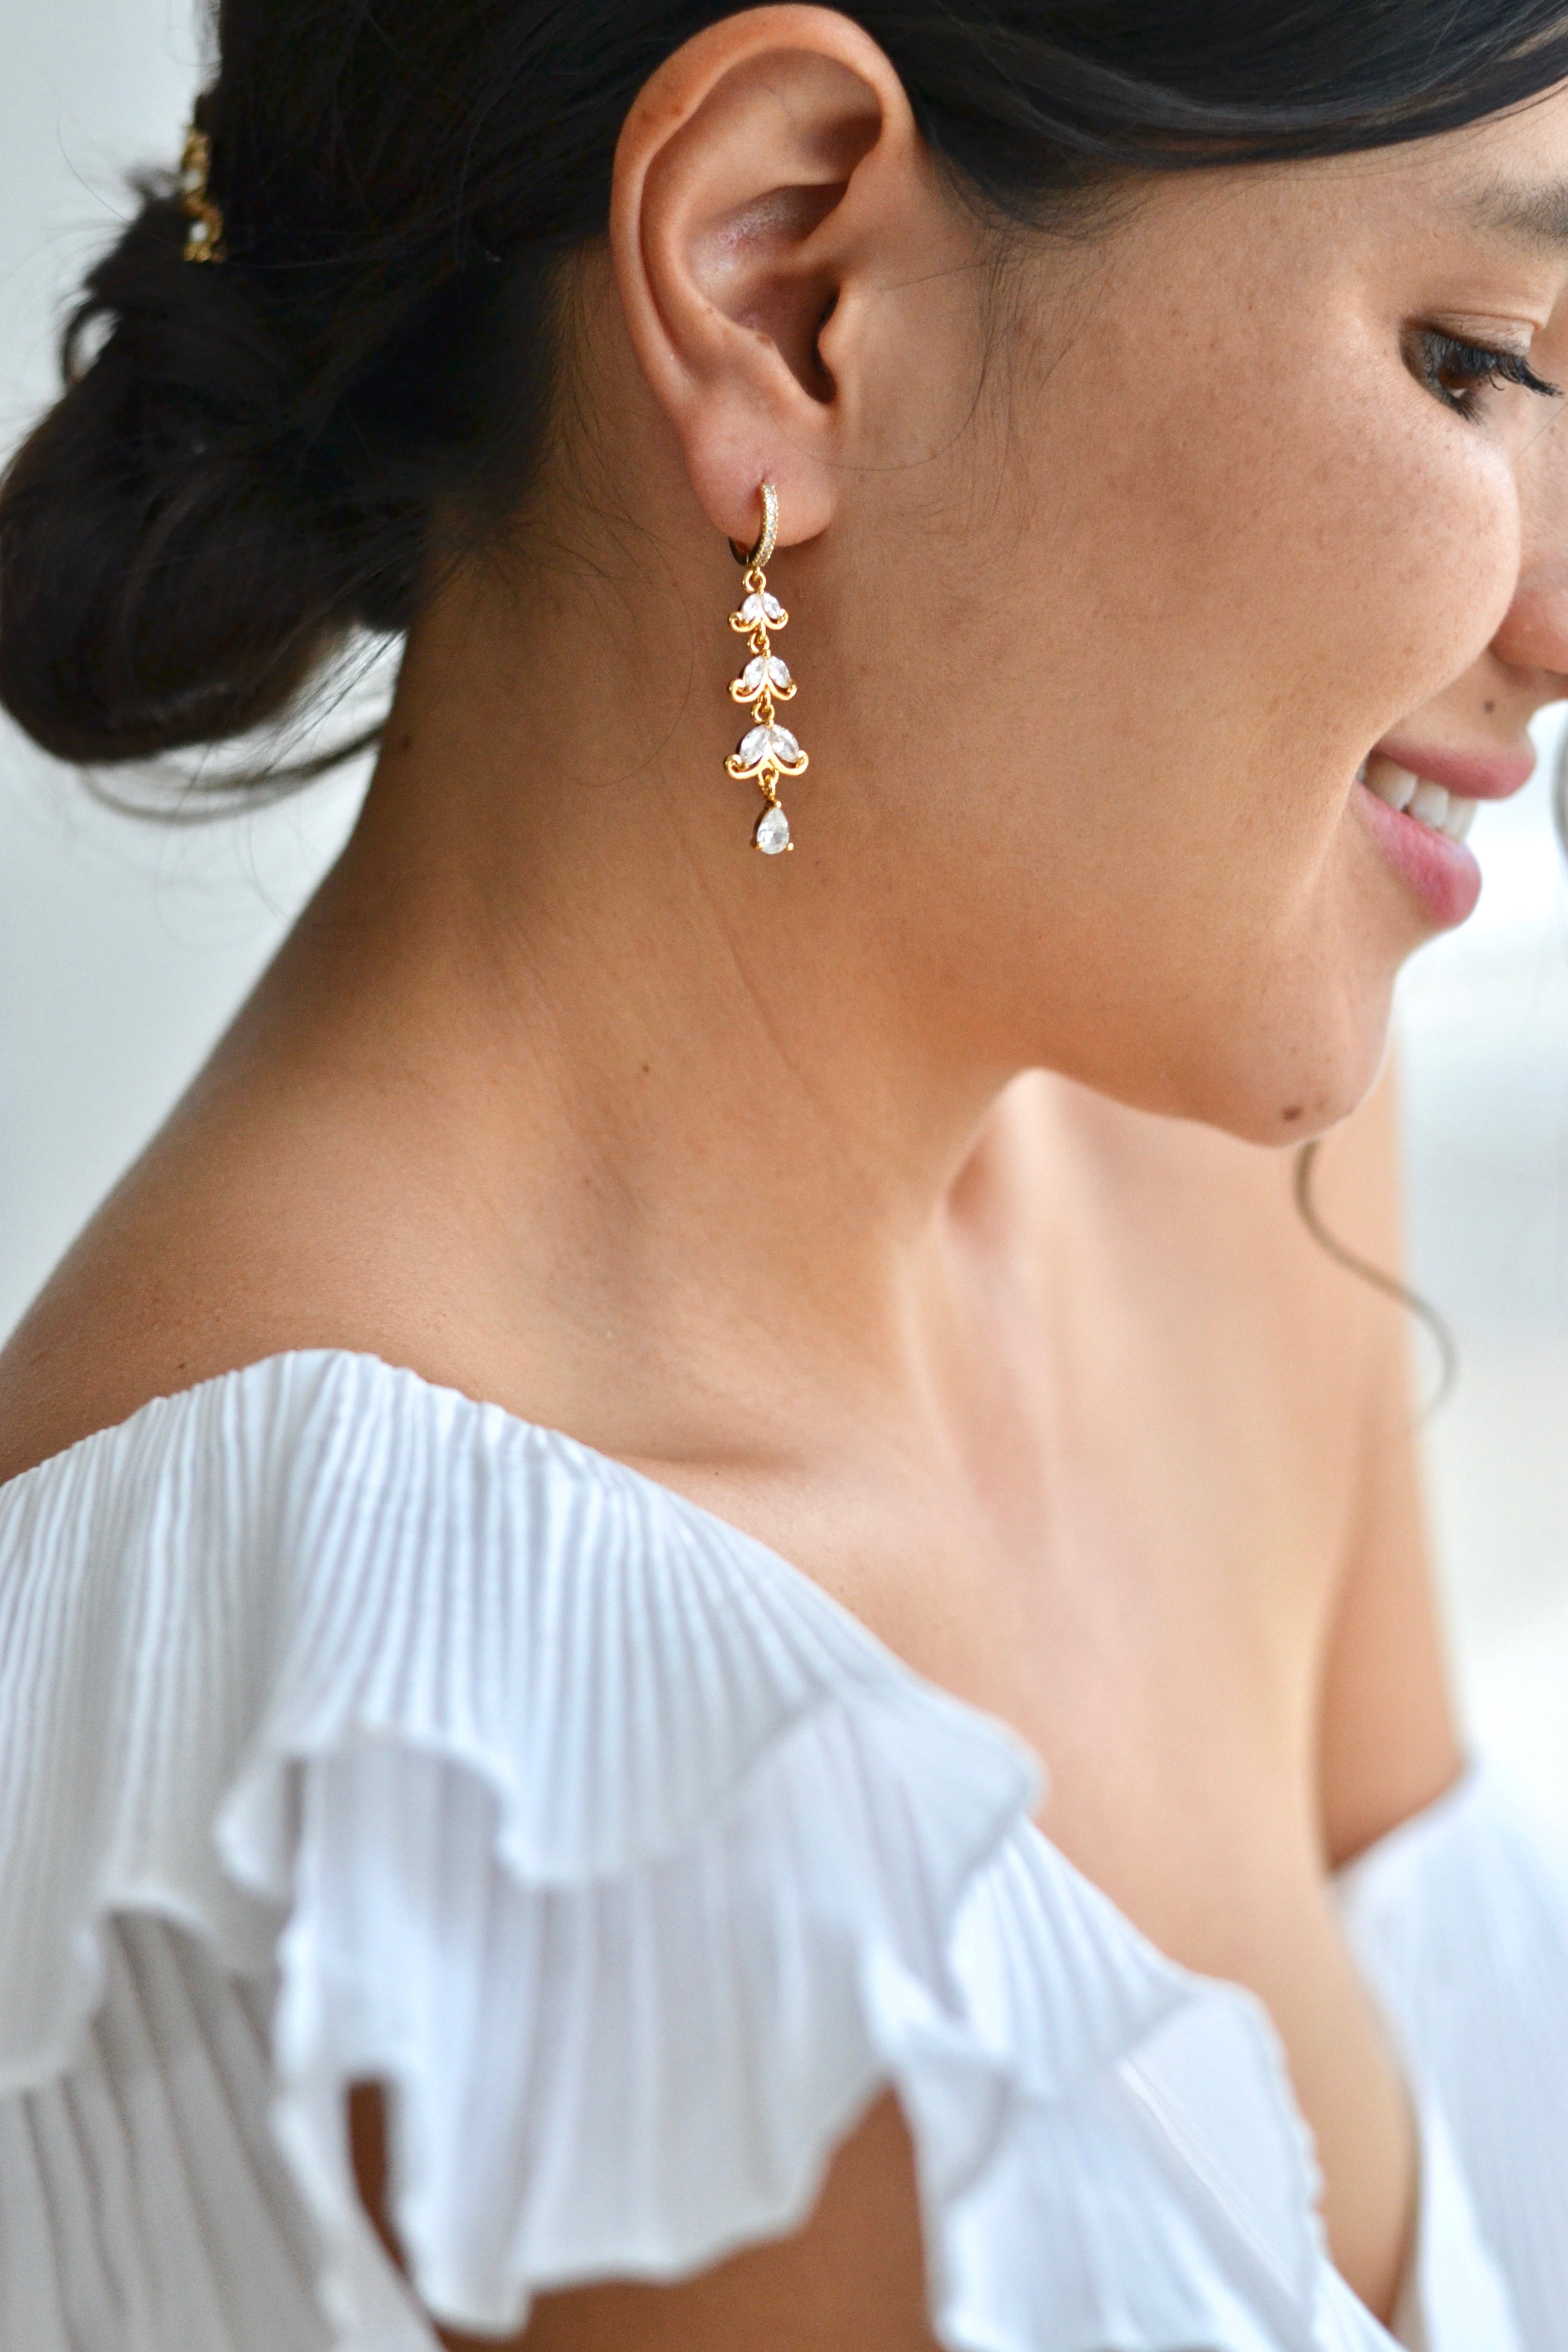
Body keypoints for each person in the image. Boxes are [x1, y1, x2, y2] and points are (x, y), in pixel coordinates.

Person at [1, 4, 1567, 2347]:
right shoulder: (527, 1810)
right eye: (1469, 359)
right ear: (784, 291)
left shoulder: (1210, 1190)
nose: (1551, 621)